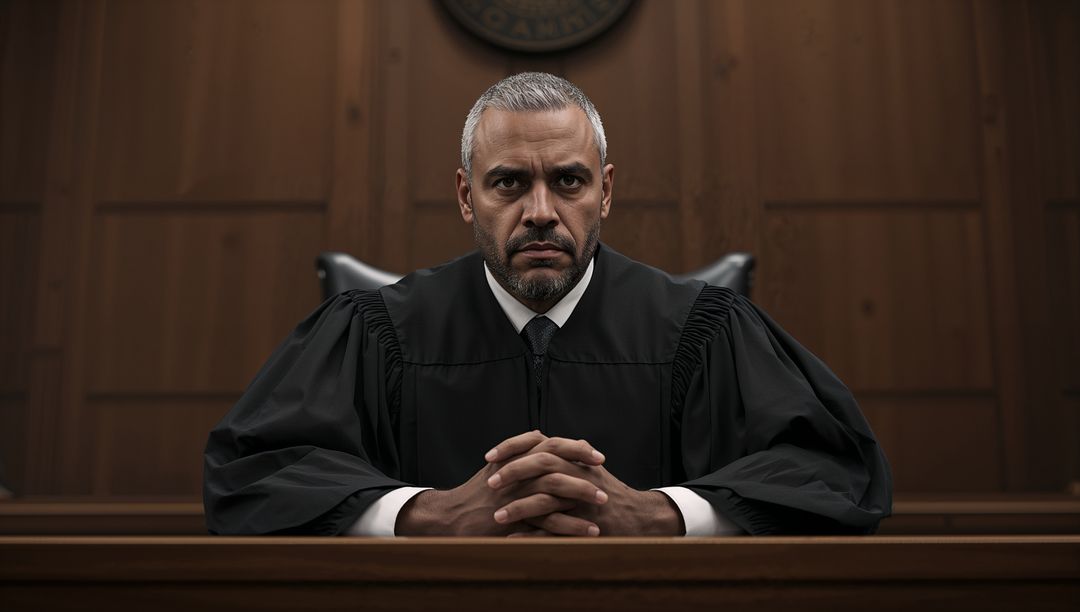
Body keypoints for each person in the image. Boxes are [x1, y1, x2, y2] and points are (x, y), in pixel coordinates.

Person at [203, 72, 892, 537]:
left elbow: (834, 469)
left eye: (568, 181)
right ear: (468, 195)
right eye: (508, 183)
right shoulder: (379, 330)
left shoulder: (701, 330)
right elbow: (251, 472)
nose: (541, 212)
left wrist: (660, 515)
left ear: (606, 191)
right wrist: (425, 515)